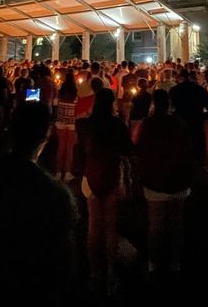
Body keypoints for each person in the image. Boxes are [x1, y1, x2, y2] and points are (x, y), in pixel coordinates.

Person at [0, 102, 78, 305]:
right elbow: (64, 261)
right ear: (46, 135)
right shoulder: (55, 194)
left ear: (10, 129)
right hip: (31, 287)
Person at [78, 88, 134, 296]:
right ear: (111, 103)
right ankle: (111, 275)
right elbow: (128, 148)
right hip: (111, 172)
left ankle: (94, 274)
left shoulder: (86, 124)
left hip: (91, 172)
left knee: (93, 227)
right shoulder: (116, 124)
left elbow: (82, 145)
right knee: (110, 227)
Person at [136, 89, 192, 276]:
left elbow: (139, 147)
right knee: (176, 223)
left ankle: (153, 262)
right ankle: (175, 262)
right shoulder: (179, 123)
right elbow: (187, 149)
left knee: (155, 225)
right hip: (178, 178)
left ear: (153, 104)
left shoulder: (148, 124)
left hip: (155, 178)